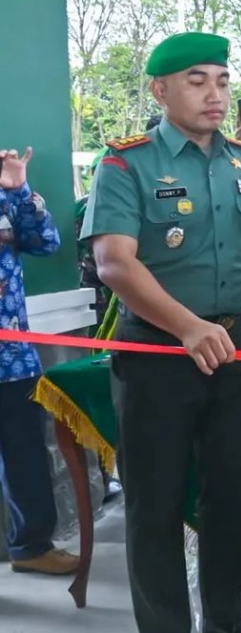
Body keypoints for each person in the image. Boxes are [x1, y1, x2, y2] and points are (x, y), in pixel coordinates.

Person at [81, 32, 241, 633]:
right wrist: (187, 327)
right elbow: (114, 262)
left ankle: (227, 615)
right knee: (154, 504)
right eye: (197, 81)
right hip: (156, 354)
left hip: (236, 350)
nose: (215, 94)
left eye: (222, 81)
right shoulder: (126, 163)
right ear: (160, 90)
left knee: (231, 495)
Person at [0, 147, 76, 576]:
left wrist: (19, 189)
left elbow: (46, 243)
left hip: (12, 359)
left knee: (26, 456)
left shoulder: (6, 194)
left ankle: (31, 546)